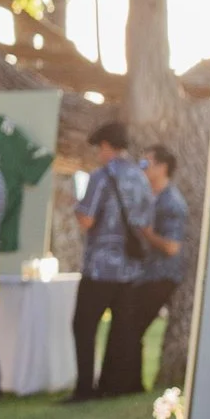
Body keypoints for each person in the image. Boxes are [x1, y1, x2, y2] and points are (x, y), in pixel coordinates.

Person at [71, 124, 182, 400]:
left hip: (100, 266)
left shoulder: (101, 176)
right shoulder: (140, 178)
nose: (99, 153)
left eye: (100, 147)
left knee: (84, 326)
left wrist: (77, 206)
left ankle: (86, 388)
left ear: (107, 146)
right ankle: (117, 385)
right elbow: (144, 222)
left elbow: (87, 219)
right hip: (131, 268)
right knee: (122, 329)